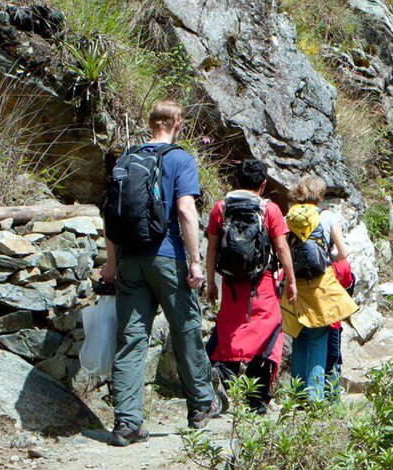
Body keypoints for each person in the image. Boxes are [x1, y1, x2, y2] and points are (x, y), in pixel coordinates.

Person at [101, 100, 219, 447]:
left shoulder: (126, 160)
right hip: (168, 258)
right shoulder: (180, 159)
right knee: (185, 330)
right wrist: (195, 262)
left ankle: (127, 423)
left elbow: (111, 215)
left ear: (151, 123)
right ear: (178, 123)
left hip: (129, 260)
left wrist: (111, 263)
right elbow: (185, 210)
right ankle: (200, 405)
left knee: (131, 339)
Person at [205, 160, 298, 414]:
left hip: (231, 285)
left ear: (236, 182)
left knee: (229, 332)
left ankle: (221, 380)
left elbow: (212, 248)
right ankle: (257, 402)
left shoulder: (220, 208)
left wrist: (210, 280)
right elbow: (281, 248)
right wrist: (291, 281)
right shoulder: (270, 210)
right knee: (267, 336)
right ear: (263, 183)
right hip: (263, 284)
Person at [282, 175, 358, 402]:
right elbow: (343, 253)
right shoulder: (327, 217)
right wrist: (329, 256)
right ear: (320, 195)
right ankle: (314, 398)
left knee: (299, 338)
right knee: (318, 339)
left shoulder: (289, 218)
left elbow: (282, 252)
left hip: (294, 284)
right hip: (320, 284)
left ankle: (297, 396)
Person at [317, 203, 354, 392]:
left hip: (309, 316)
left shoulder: (308, 259)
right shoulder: (341, 264)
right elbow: (348, 286)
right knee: (333, 360)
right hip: (333, 321)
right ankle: (332, 395)